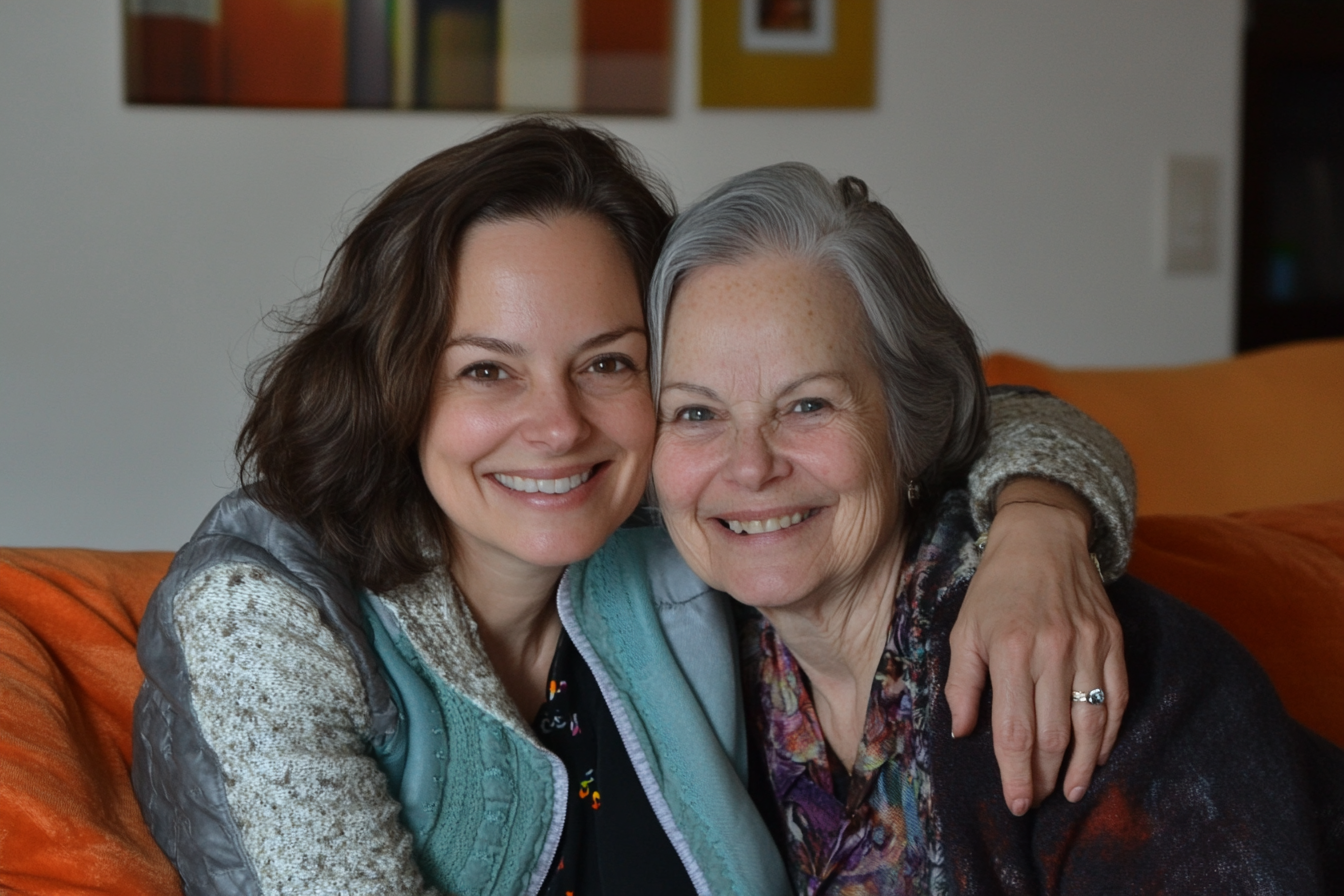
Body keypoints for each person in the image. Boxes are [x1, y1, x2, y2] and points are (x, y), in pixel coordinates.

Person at [132, 119, 1137, 896]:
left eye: (608, 361)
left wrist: (1040, 526)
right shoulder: (266, 614)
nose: (559, 425)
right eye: (489, 370)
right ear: (394, 386)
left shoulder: (693, 524)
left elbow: (956, 414)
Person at [644, 161, 1344, 894]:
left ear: (912, 424)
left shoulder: (1088, 681)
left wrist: (1044, 514)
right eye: (697, 413)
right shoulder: (709, 661)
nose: (750, 467)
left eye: (808, 405)